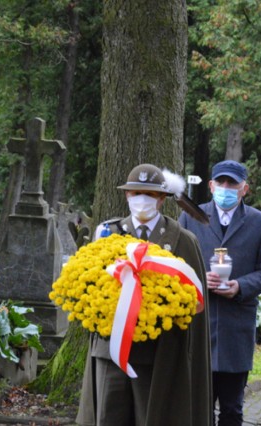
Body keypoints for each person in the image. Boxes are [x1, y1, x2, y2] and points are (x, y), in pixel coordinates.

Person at [76, 163, 212, 426]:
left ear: (162, 199)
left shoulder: (183, 241)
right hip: (111, 351)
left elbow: (196, 304)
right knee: (109, 417)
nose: (142, 200)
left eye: (149, 195)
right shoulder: (107, 234)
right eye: (136, 193)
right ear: (127, 196)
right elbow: (87, 287)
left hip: (159, 354)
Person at [179, 160, 261, 426]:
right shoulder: (189, 216)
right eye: (221, 182)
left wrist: (241, 286)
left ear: (245, 189)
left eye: (233, 183)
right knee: (199, 408)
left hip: (236, 328)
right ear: (210, 186)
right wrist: (198, 279)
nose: (226, 188)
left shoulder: (260, 222)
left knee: (232, 409)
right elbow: (174, 264)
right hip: (199, 326)